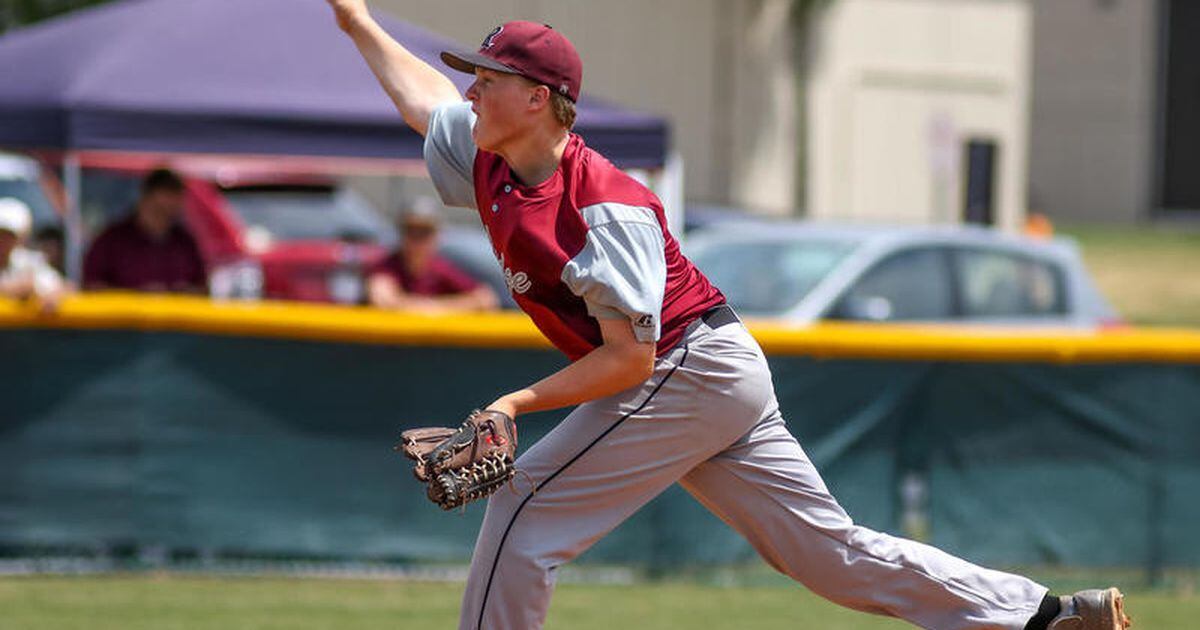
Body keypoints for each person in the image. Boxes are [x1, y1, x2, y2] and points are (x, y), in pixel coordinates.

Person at [327, 4, 1130, 630]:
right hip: (710, 369)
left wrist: (512, 405)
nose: (470, 88)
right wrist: (356, 19)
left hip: (682, 368)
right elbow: (425, 104)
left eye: (488, 78)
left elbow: (629, 362)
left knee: (523, 511)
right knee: (825, 555)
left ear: (537, 99)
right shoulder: (496, 158)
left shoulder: (604, 208)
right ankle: (1041, 616)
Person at [83, 168, 207, 294]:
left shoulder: (185, 243)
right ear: (146, 196)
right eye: (167, 194)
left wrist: (176, 294)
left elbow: (203, 288)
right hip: (124, 313)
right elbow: (91, 285)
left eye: (177, 195)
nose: (172, 204)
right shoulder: (111, 241)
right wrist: (135, 296)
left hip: (175, 314)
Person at [366, 198, 497, 313]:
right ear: (401, 234)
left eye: (424, 232)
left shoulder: (438, 267)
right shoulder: (387, 265)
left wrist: (433, 308)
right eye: (411, 231)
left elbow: (485, 299)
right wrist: (432, 309)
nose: (417, 239)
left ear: (435, 236)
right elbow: (382, 299)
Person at [0, 198, 68, 313]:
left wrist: (51, 295)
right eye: (1, 234)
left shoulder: (29, 262)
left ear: (20, 238)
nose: (3, 240)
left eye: (9, 235)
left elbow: (63, 287)